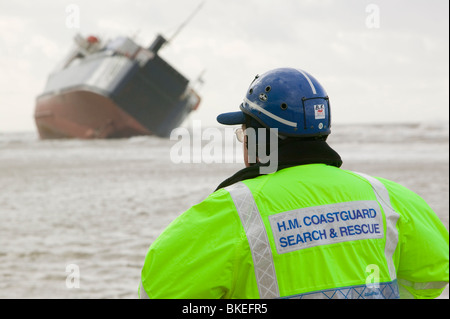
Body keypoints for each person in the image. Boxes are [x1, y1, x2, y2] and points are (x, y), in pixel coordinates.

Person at [139, 67, 449, 299]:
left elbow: (157, 291)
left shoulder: (232, 210)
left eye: (243, 134)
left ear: (258, 137)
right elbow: (434, 274)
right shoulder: (389, 197)